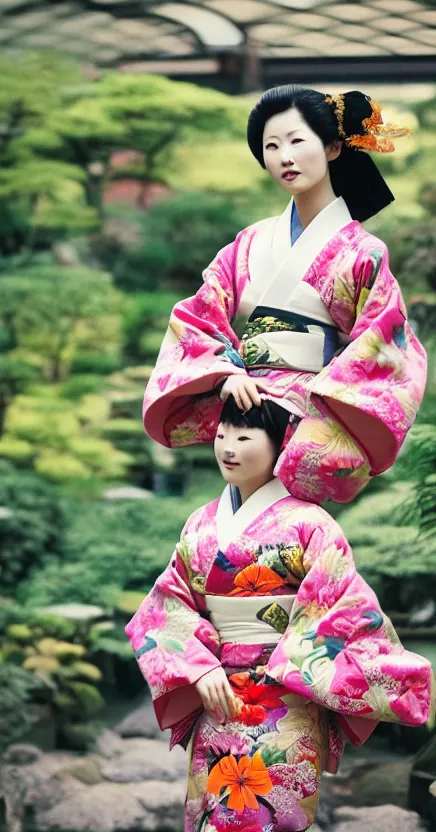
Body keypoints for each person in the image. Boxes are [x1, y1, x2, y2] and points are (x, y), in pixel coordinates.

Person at [125, 395, 433, 832]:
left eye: (244, 435)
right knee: (212, 815)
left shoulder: (312, 524)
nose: (228, 446)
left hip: (285, 699)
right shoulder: (199, 523)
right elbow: (166, 604)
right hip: (219, 698)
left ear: (281, 444)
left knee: (270, 814)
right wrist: (194, 667)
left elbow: (342, 608)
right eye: (221, 434)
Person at [143, 86, 426, 504]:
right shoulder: (250, 242)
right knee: (233, 528)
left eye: (296, 141)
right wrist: (226, 373)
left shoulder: (363, 252)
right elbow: (197, 317)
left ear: (332, 147)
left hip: (309, 418)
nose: (284, 157)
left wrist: (311, 399)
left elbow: (387, 347)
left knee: (292, 532)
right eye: (270, 146)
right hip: (244, 407)